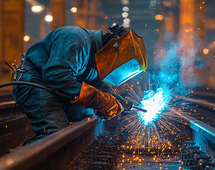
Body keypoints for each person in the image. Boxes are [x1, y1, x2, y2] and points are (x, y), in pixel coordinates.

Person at [12, 23, 147, 143]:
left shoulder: (99, 57)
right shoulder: (76, 41)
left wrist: (111, 98)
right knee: (55, 134)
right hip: (34, 83)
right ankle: (18, 164)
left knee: (84, 123)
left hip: (58, 89)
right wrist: (99, 99)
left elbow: (98, 84)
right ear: (114, 49)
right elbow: (55, 76)